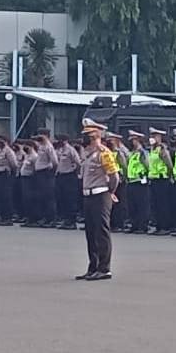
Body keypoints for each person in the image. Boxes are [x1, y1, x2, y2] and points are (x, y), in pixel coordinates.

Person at [76, 119, 120, 281]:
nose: (84, 138)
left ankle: (104, 268)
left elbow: (114, 176)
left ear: (96, 135)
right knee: (91, 233)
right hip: (88, 196)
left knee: (101, 232)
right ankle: (93, 267)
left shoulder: (104, 153)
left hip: (101, 195)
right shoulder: (88, 154)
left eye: (87, 135)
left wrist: (110, 192)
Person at [123, 131, 151, 234]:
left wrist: (146, 178)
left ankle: (142, 226)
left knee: (141, 205)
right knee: (132, 205)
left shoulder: (142, 152)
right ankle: (134, 224)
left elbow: (148, 166)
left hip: (140, 182)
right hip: (131, 181)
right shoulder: (132, 153)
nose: (131, 141)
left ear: (138, 140)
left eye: (133, 139)